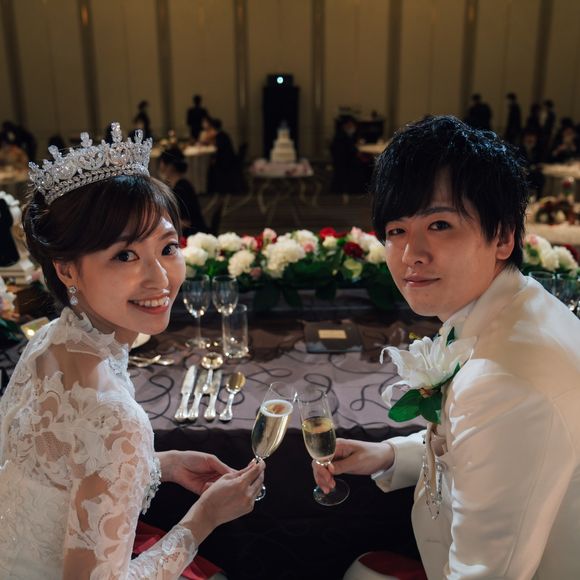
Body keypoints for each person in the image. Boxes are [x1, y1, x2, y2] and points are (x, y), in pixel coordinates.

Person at [313, 115, 580, 579]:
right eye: (396, 230)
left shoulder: (502, 380)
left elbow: (485, 572)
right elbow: (493, 451)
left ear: (503, 236)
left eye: (439, 224)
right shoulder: (517, 304)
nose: (411, 254)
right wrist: (390, 455)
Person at [0, 123, 265, 578]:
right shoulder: (115, 418)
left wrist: (156, 466)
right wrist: (204, 519)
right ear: (66, 269)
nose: (160, 279)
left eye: (168, 247)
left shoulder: (50, 339)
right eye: (125, 255)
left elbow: (53, 469)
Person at [159, 146, 208, 236]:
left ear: (170, 166)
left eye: (161, 162)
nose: (160, 166)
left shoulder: (181, 189)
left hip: (193, 235)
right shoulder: (183, 184)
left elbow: (185, 222)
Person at [330, 115, 369, 194]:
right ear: (344, 126)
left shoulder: (345, 136)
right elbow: (350, 152)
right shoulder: (341, 137)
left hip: (345, 163)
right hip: (346, 164)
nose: (352, 127)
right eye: (349, 125)